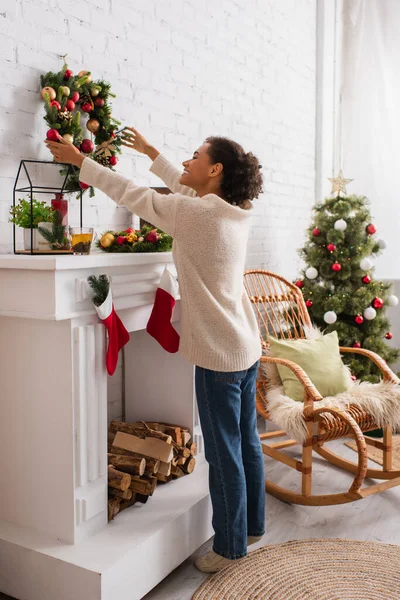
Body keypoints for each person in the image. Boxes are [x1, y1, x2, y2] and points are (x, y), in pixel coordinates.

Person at [45, 128, 265, 573]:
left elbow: (135, 195)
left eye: (195, 155)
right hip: (245, 346)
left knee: (222, 455)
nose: (187, 161)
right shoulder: (234, 210)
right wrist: (151, 153)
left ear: (216, 169)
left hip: (220, 355)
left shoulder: (197, 216)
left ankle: (230, 549)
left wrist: (79, 161)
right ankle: (253, 526)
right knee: (246, 443)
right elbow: (185, 190)